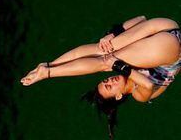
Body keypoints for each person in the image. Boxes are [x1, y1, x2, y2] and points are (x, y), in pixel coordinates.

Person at [21, 16, 181, 138]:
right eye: (110, 87)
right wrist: (119, 66)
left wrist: (112, 34)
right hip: (172, 46)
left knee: (103, 50)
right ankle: (47, 71)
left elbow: (141, 18)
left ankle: (49, 67)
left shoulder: (130, 63)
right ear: (118, 96)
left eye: (106, 82)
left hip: (163, 30)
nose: (110, 80)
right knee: (105, 60)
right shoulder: (138, 94)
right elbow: (148, 85)